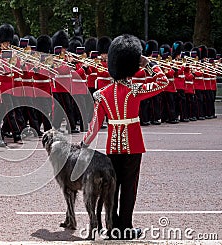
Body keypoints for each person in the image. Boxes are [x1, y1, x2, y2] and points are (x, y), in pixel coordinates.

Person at [82, 34, 169, 239]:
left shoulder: (101, 94)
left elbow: (95, 126)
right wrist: (149, 64)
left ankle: (111, 226)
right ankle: (125, 227)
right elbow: (163, 81)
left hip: (112, 147)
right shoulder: (135, 90)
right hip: (133, 145)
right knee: (129, 188)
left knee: (111, 188)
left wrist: (83, 144)